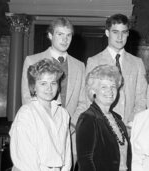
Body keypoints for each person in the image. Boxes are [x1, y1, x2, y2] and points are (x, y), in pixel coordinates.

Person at [21, 17, 87, 166]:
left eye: (68, 35)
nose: (64, 39)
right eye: (60, 34)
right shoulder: (32, 60)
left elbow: (83, 102)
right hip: (40, 133)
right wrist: (47, 126)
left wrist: (71, 125)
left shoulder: (79, 66)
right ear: (50, 35)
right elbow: (27, 97)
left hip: (70, 135)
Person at [85, 13, 147, 129]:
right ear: (107, 33)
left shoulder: (137, 63)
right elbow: (89, 99)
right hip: (103, 127)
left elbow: (142, 98)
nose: (120, 37)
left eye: (124, 32)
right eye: (115, 32)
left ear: (128, 34)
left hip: (131, 128)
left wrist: (131, 124)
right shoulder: (94, 61)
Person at [10, 59, 71, 171]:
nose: (49, 88)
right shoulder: (26, 113)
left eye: (53, 83)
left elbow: (67, 153)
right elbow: (26, 159)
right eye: (43, 83)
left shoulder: (63, 113)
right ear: (34, 87)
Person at [76, 65, 132, 171]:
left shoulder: (118, 121)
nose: (110, 91)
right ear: (93, 91)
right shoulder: (88, 119)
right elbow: (86, 163)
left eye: (113, 86)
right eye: (104, 87)